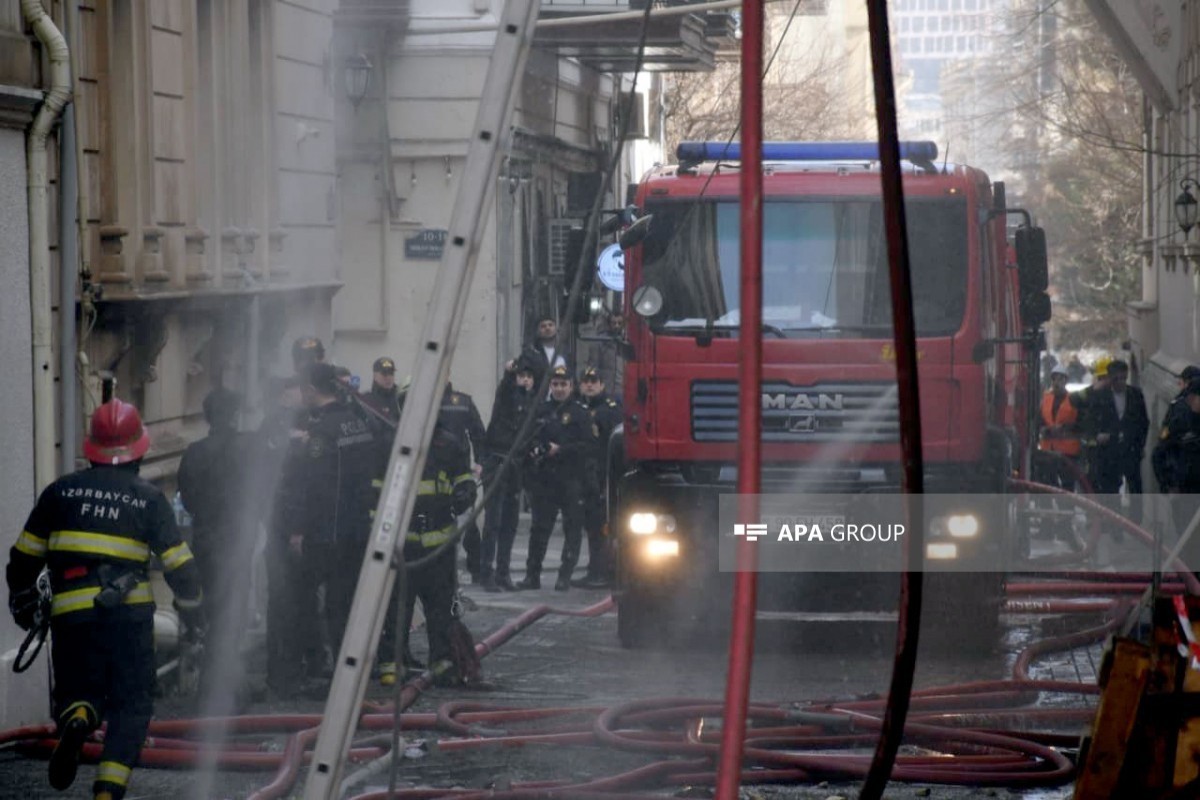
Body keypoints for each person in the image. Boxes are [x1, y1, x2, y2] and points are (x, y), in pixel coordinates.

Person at [7, 399, 204, 800]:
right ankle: (107, 791)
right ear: (140, 450)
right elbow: (180, 568)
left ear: (91, 447)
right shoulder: (149, 498)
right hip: (128, 616)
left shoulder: (59, 492)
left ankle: (79, 715)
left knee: (78, 689)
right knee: (131, 706)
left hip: (72, 616)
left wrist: (22, 599)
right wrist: (193, 611)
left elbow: (23, 558)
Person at [380, 411, 476, 686]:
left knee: (440, 606)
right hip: (403, 545)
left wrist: (465, 492)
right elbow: (378, 487)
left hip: (439, 544)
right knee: (397, 607)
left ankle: (442, 663)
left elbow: (463, 477)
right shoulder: (391, 442)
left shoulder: (449, 443)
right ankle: (393, 664)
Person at [176, 387, 254, 693]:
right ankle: (226, 679)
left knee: (210, 606)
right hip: (238, 539)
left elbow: (187, 498)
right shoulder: (247, 448)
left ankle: (211, 676)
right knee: (233, 608)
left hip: (206, 539)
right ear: (234, 415)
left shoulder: (195, 452)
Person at [519, 365, 597, 591]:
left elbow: (588, 446)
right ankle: (532, 575)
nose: (559, 388)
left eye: (564, 384)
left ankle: (564, 576)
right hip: (545, 478)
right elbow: (528, 439)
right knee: (539, 529)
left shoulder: (580, 413)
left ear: (571, 386)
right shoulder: (541, 410)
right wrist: (536, 449)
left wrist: (561, 450)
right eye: (555, 384)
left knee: (572, 529)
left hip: (571, 478)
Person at [479, 356, 538, 591]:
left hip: (515, 466)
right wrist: (508, 375)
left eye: (529, 377)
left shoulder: (532, 403)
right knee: (493, 522)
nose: (525, 380)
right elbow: (505, 391)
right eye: (521, 376)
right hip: (497, 462)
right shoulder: (507, 396)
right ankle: (486, 573)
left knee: (510, 523)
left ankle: (503, 573)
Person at [574, 366, 623, 588]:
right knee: (592, 526)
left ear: (602, 385)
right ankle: (595, 569)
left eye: (594, 381)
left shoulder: (609, 410)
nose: (589, 385)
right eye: (586, 381)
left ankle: (604, 571)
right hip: (585, 475)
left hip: (604, 476)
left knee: (604, 526)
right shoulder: (578, 408)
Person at [1153, 379, 1200, 572]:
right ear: (1192, 398)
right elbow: (1159, 454)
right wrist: (1168, 485)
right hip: (1185, 492)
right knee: (1188, 541)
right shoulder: (1179, 421)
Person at [515, 317, 568, 392]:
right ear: (538, 331)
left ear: (556, 329)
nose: (547, 328)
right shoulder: (530, 355)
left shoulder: (565, 353)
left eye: (550, 325)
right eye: (543, 326)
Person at [359, 356, 402, 424]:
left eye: (391, 373)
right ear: (375, 376)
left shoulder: (402, 397)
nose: (388, 377)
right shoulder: (367, 401)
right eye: (384, 374)